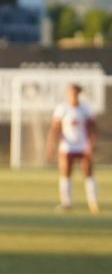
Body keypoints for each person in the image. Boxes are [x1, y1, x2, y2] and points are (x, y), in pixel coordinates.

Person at [47, 84, 99, 214]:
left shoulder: (85, 108)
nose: (73, 95)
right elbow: (55, 127)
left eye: (75, 92)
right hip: (67, 145)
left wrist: (91, 143)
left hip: (83, 145)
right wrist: (51, 144)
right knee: (65, 173)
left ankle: (93, 203)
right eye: (70, 92)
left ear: (79, 93)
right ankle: (67, 203)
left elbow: (92, 127)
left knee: (88, 173)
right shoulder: (62, 108)